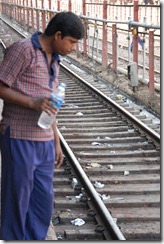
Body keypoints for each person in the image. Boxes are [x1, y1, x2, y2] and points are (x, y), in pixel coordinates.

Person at [0, 11, 84, 240]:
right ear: (58, 35)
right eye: (72, 42)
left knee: (42, 201)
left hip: (44, 142)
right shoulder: (23, 49)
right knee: (18, 198)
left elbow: (50, 106)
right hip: (19, 136)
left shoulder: (55, 61)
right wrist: (32, 102)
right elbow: (1, 86)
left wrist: (56, 143)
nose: (73, 47)